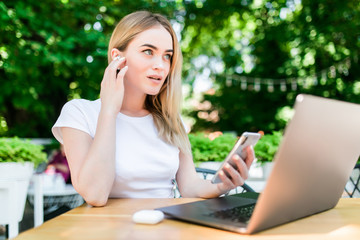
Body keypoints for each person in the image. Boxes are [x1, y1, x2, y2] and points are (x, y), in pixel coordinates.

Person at [52, 11, 255, 207]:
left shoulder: (171, 120)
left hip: (166, 226)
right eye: (148, 51)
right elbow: (95, 195)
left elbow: (190, 186)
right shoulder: (79, 113)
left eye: (167, 56)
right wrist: (109, 111)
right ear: (117, 57)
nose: (161, 65)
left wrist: (223, 184)